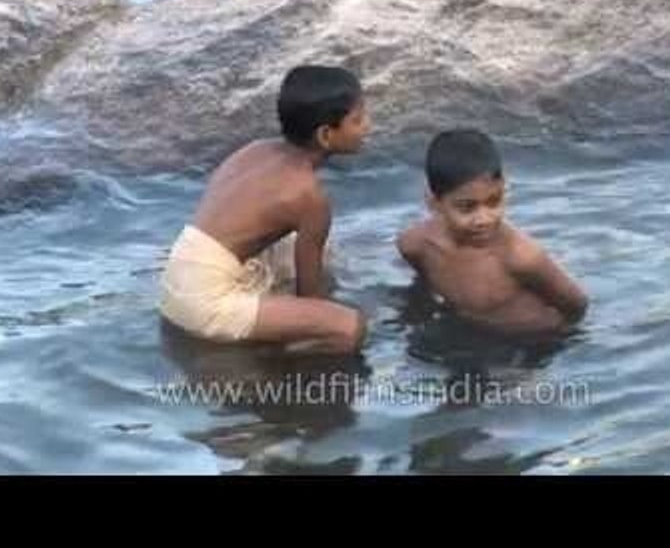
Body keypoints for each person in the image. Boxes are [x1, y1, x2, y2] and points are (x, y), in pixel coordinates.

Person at [160, 65, 370, 354]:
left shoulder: (254, 150)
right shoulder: (309, 196)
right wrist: (320, 316)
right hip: (202, 305)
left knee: (309, 248)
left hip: (176, 276)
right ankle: (271, 362)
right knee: (349, 328)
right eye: (357, 120)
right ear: (325, 135)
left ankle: (258, 321)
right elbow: (311, 297)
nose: (367, 127)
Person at [396, 129, 588, 336]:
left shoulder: (521, 257)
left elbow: (577, 305)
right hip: (470, 335)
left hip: (535, 343)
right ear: (434, 202)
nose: (484, 219)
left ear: (504, 187)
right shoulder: (415, 246)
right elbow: (423, 287)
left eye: (494, 201)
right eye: (467, 207)